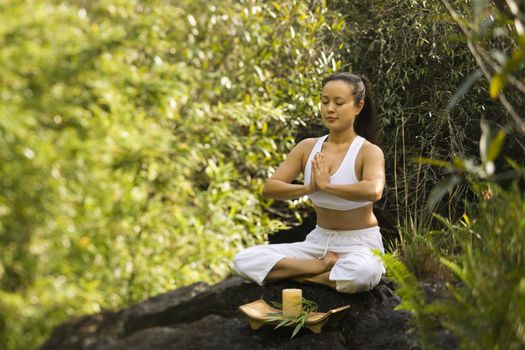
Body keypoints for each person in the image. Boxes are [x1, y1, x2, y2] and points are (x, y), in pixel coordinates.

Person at [233, 72, 386, 294]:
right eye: (325, 101)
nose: (329, 109)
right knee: (243, 260)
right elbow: (270, 188)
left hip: (360, 244)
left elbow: (373, 190)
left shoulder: (368, 151)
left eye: (338, 103)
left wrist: (328, 186)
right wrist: (308, 188)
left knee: (361, 275)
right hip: (318, 243)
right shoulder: (307, 148)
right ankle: (320, 271)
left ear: (358, 107)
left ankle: (304, 275)